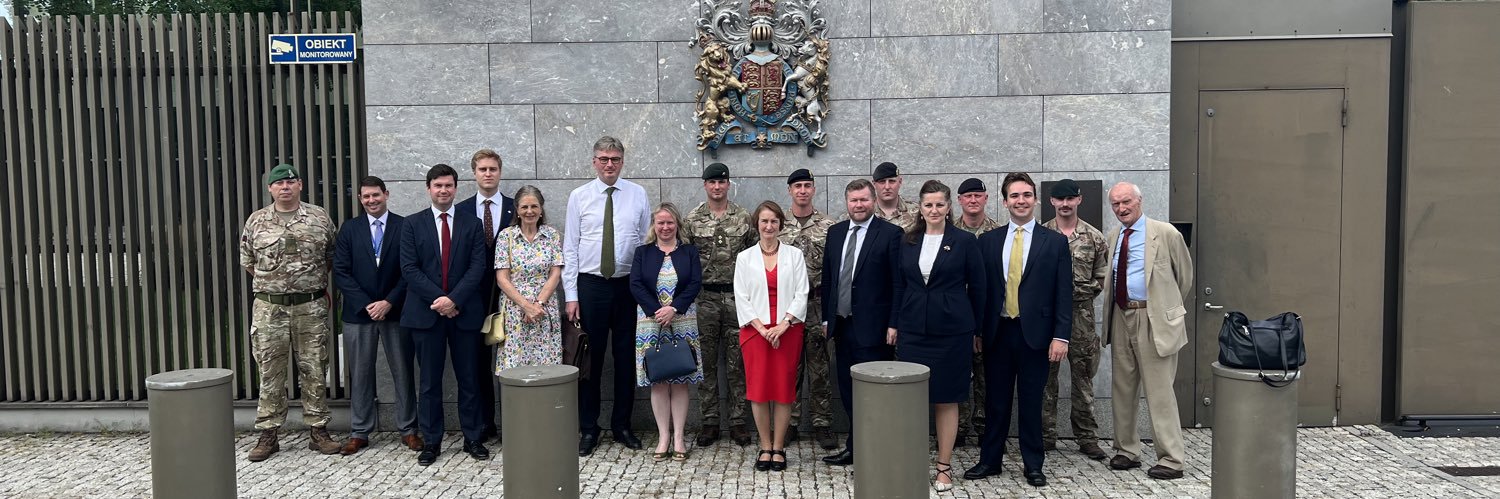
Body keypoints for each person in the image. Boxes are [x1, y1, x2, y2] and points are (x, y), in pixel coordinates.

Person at [967, 172, 1073, 488]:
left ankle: (1033, 464)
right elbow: (980, 291)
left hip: (1036, 336)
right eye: (1015, 196)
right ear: (1005, 201)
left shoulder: (1054, 242)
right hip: (998, 332)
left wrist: (1061, 335)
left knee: (1031, 402)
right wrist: (977, 331)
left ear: (1035, 200)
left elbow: (1063, 293)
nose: (1021, 200)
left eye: (1027, 195)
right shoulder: (987, 241)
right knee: (995, 401)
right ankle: (990, 460)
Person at [239, 163, 342, 461]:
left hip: (310, 306)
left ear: (300, 185)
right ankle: (269, 434)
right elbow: (248, 261)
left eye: (290, 182)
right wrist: (277, 285)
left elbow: (330, 256)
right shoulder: (257, 221)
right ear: (270, 189)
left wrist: (304, 285)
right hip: (270, 308)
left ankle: (318, 431)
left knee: (314, 367)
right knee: (270, 371)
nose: (285, 187)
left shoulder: (319, 218)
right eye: (278, 183)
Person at [892, 180, 988, 491]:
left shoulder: (964, 241)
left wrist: (977, 329)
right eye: (928, 204)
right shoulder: (907, 241)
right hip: (913, 330)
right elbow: (899, 285)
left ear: (949, 207)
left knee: (946, 398)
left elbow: (979, 289)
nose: (934, 210)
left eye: (939, 204)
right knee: (912, 400)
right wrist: (894, 323)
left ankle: (944, 466)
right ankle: (912, 463)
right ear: (920, 208)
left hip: (952, 332)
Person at [564, 136, 653, 456]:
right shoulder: (579, 197)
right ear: (594, 162)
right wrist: (571, 296)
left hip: (627, 286)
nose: (609, 164)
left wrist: (645, 290)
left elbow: (646, 244)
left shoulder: (637, 195)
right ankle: (589, 427)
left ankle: (622, 425)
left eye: (614, 159)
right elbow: (570, 248)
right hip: (591, 286)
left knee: (627, 357)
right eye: (603, 159)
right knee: (591, 359)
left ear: (622, 161)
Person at [399, 163, 491, 466]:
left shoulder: (471, 224)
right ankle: (432, 441)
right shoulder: (412, 225)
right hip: (426, 316)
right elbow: (409, 269)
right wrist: (439, 299)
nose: (443, 191)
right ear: (429, 189)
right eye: (438, 186)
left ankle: (473, 437)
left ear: (455, 188)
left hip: (463, 314)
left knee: (469, 379)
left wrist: (454, 300)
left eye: (448, 186)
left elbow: (477, 267)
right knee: (429, 382)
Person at [1102, 181, 1194, 480]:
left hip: (1152, 318)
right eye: (1115, 204)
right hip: (1120, 316)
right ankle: (1127, 450)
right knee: (1123, 388)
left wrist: (1164, 311)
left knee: (1159, 391)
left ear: (1139, 201)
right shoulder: (1114, 235)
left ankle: (1171, 458)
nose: (1121, 208)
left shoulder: (1165, 233)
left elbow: (1184, 278)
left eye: (1126, 201)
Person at [332, 176, 421, 456]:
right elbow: (341, 271)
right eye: (366, 197)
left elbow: (410, 269)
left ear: (387, 194)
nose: (372, 200)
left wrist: (389, 302)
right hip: (359, 314)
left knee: (403, 371)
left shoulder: (404, 226)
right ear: (360, 199)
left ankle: (408, 429)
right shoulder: (350, 229)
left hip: (396, 313)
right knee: (359, 374)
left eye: (376, 195)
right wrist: (368, 304)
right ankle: (359, 432)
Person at [820, 179, 902, 467]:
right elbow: (829, 278)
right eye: (854, 200)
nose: (859, 205)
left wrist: (894, 323)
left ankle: (876, 451)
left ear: (874, 200)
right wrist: (826, 318)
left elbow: (897, 283)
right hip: (842, 326)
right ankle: (856, 447)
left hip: (875, 329)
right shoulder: (836, 233)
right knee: (849, 389)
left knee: (874, 393)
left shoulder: (891, 234)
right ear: (847, 202)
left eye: (864, 200)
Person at [734, 201, 810, 472]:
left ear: (780, 225)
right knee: (758, 390)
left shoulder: (794, 255)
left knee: (783, 390)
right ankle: (764, 446)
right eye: (764, 221)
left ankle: (778, 447)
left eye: (774, 222)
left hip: (787, 331)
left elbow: (802, 292)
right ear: (757, 224)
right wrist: (763, 329)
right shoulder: (744, 258)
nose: (769, 226)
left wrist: (784, 324)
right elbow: (741, 297)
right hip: (755, 332)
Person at [684, 163, 754, 448]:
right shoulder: (692, 219)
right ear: (705, 185)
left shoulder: (744, 217)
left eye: (721, 182)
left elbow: (752, 257)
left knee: (738, 363)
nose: (716, 187)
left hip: (737, 299)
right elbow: (687, 261)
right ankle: (710, 421)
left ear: (728, 184)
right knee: (707, 363)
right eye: (711, 182)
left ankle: (738, 422)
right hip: (705, 299)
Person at [1040, 179, 1110, 460]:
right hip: (1047, 316)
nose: (1065, 204)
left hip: (1081, 315)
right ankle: (1045, 436)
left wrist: (1073, 292)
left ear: (1079, 200)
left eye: (1071, 199)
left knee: (1083, 378)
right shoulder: (1042, 234)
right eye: (1060, 199)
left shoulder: (1094, 238)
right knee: (1046, 378)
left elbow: (1102, 277)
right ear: (1052, 202)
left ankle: (1086, 437)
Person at [629, 202, 705, 462]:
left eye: (669, 222)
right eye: (660, 222)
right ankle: (663, 436)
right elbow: (636, 284)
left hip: (682, 319)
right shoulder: (643, 252)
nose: (665, 227)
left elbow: (695, 282)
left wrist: (674, 308)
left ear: (677, 225)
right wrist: (656, 310)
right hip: (650, 321)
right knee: (658, 379)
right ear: (654, 225)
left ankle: (680, 437)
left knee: (680, 379)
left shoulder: (689, 252)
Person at [455, 148, 516, 443]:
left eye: (493, 169)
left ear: (500, 172)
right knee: (477, 364)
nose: (488, 174)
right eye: (482, 169)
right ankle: (484, 424)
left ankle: (516, 423)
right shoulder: (462, 209)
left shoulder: (516, 207)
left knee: (512, 361)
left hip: (511, 296)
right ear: (474, 173)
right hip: (474, 298)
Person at [778, 168, 839, 450]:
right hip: (787, 306)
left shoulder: (829, 225)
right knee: (789, 366)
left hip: (816, 302)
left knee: (820, 367)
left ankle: (822, 423)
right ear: (789, 190)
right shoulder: (778, 224)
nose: (802, 190)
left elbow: (835, 269)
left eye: (807, 186)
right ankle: (788, 423)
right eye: (797, 186)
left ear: (814, 189)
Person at [954, 177, 1002, 448]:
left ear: (986, 198)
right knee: (959, 371)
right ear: (959, 201)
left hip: (989, 314)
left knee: (987, 374)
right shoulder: (949, 232)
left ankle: (985, 428)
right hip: (957, 315)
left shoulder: (997, 232)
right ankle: (958, 427)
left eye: (978, 195)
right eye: (967, 196)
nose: (973, 200)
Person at [494, 185, 563, 371]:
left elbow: (555, 273)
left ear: (541, 209)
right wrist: (526, 306)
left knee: (546, 366)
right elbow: (502, 278)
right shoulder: (505, 237)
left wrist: (537, 305)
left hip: (545, 308)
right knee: (516, 366)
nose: (529, 211)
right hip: (515, 309)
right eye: (524, 207)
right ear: (517, 210)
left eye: (534, 206)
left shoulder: (552, 235)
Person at [871, 162, 919, 231]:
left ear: (900, 182)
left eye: (892, 181)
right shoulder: (865, 212)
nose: (887, 187)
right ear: (874, 184)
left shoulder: (916, 212)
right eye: (882, 182)